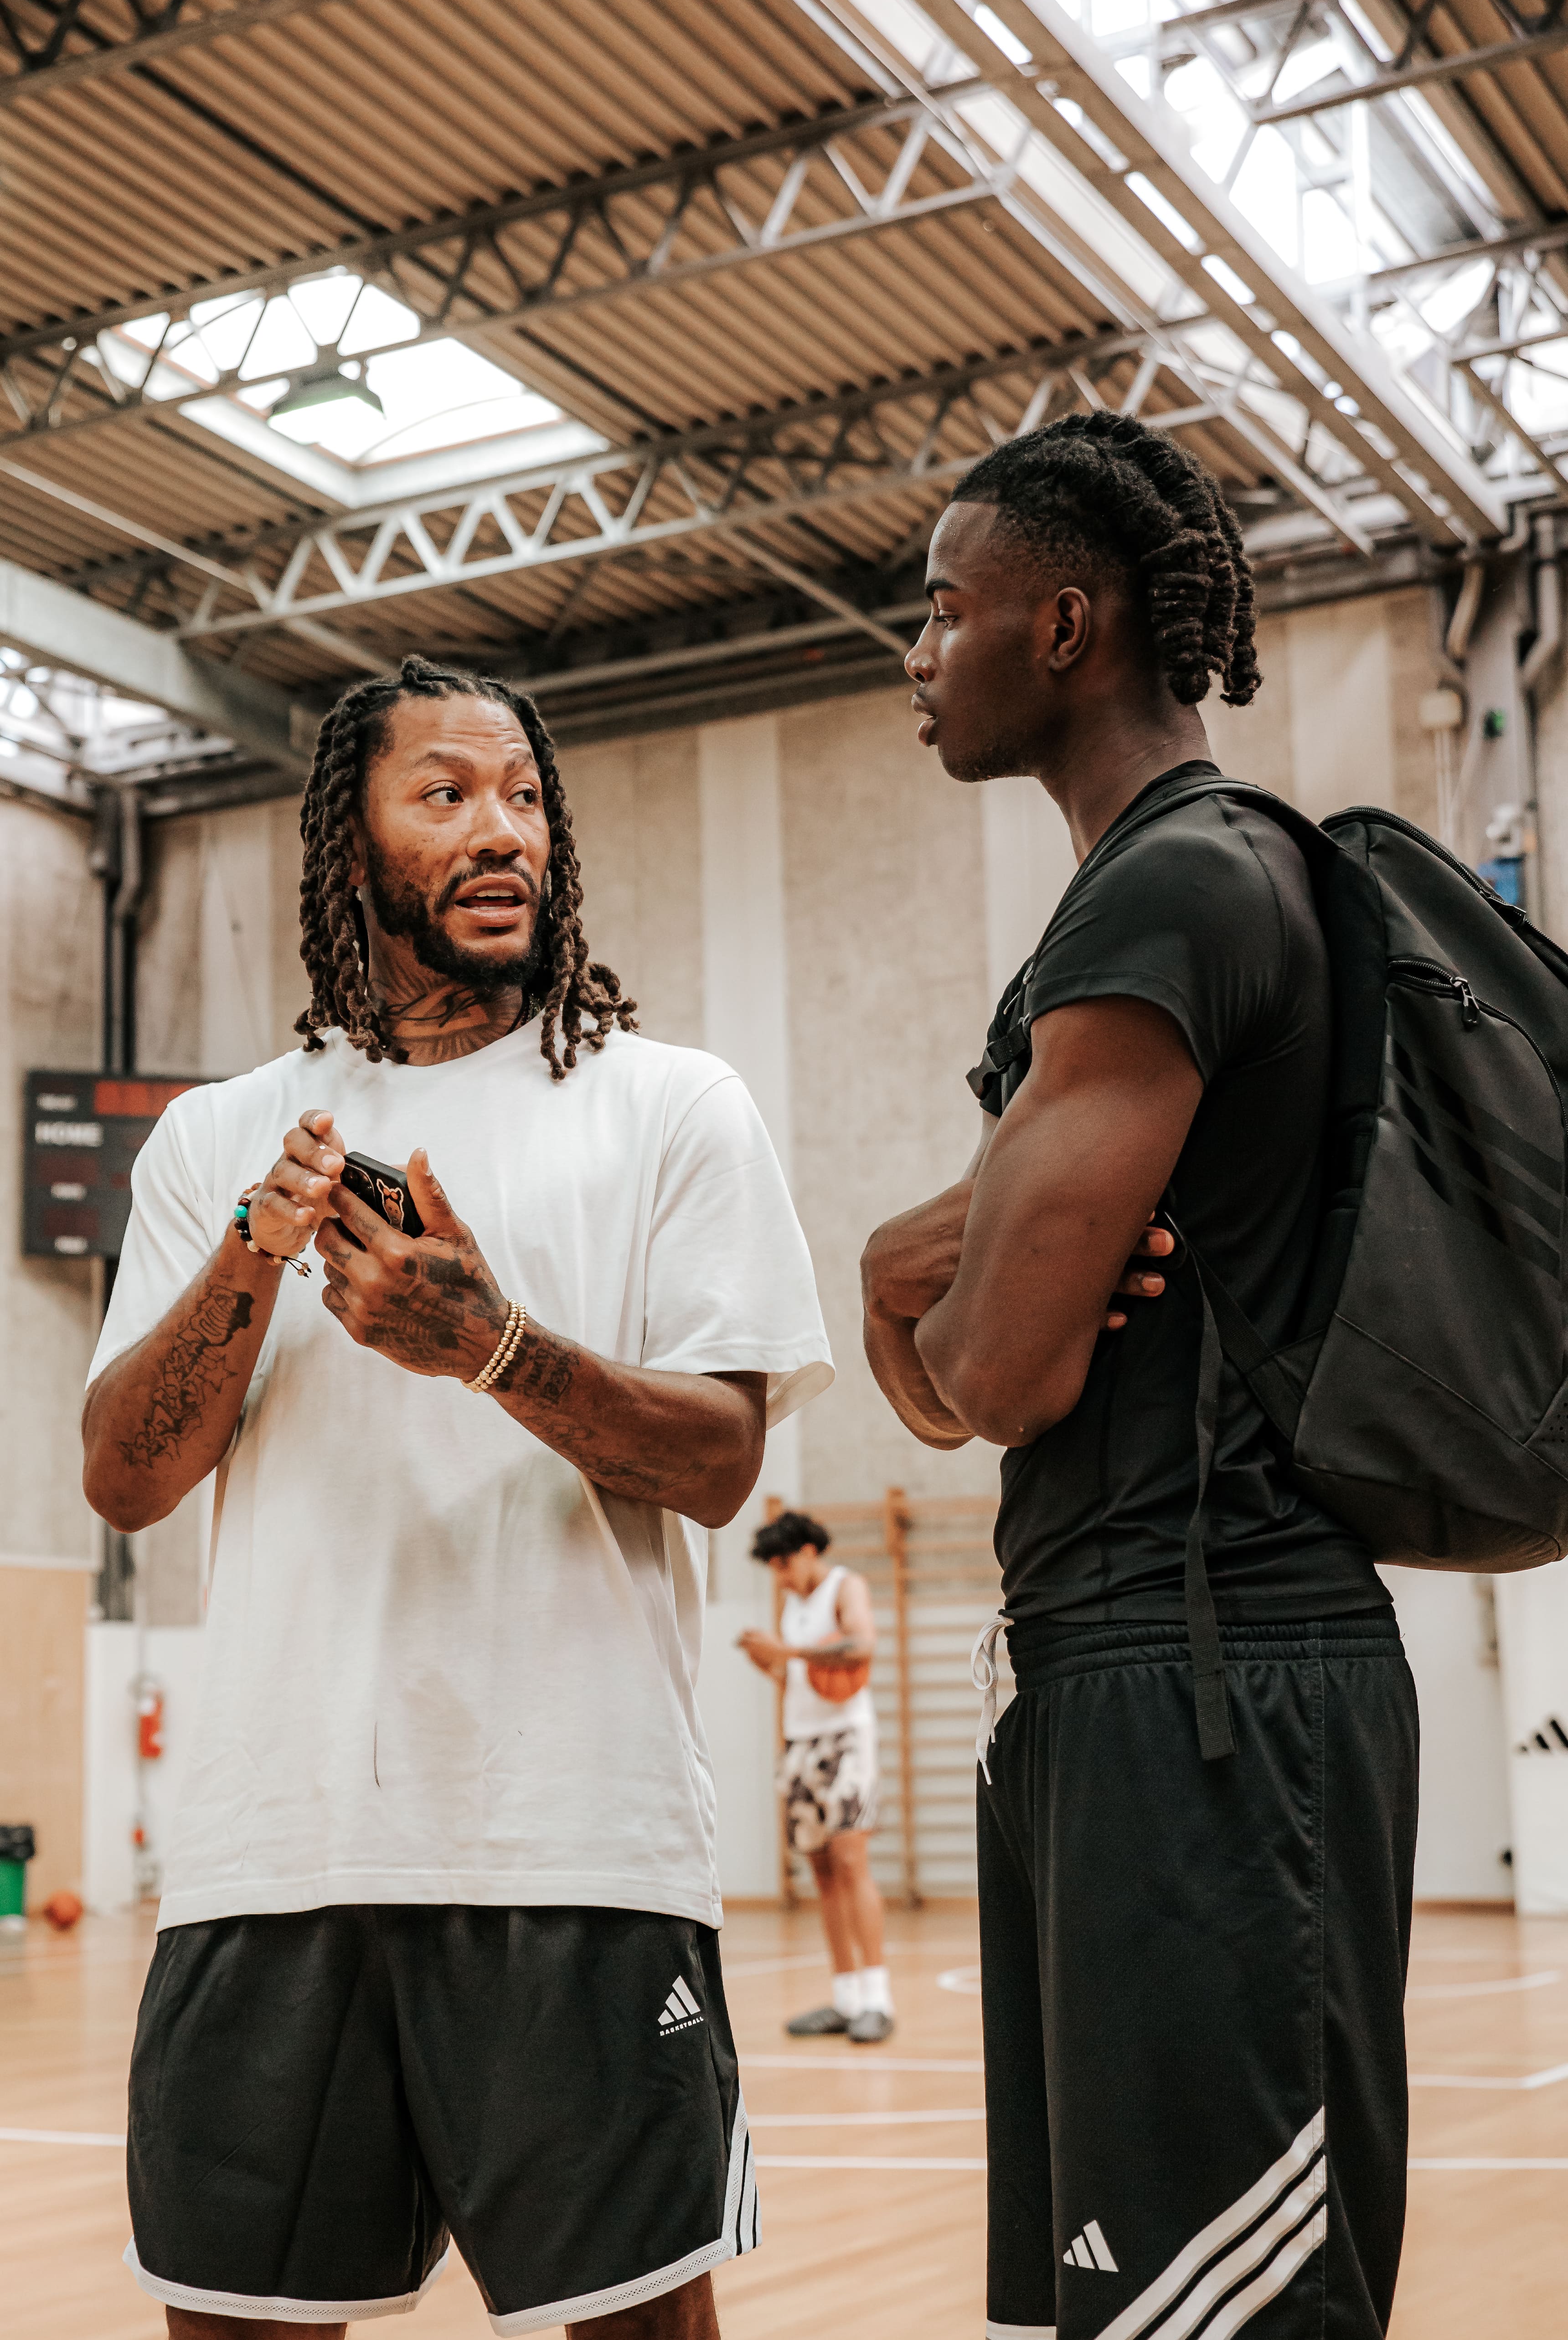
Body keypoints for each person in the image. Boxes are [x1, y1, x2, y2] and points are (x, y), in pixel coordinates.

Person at [82, 655, 833, 2340]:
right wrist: (250, 1257)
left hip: (574, 1845)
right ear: (350, 848)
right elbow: (125, 1480)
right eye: (446, 795)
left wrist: (492, 1347)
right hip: (272, 1856)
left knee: (639, 2324)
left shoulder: (669, 1106)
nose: (505, 831)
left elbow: (720, 1462)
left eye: (524, 797)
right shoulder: (218, 1137)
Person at [860, 413, 1418, 2340]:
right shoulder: (1136, 904)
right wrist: (899, 1286)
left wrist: (917, 1298)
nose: (915, 651)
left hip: (1203, 1673)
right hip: (1099, 1662)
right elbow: (951, 1364)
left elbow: (993, 1370)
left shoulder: (1176, 886)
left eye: (943, 608)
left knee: (1217, 2313)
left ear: (1063, 625)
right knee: (1106, 2309)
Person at [737, 1511, 893, 2044]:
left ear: (807, 1551)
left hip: (846, 1738)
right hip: (800, 1741)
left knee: (850, 1860)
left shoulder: (846, 1586)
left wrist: (789, 1652)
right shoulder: (791, 1606)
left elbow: (861, 1646)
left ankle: (877, 2000)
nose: (779, 1577)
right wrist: (768, 1664)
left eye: (783, 1564)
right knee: (822, 1872)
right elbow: (797, 1676)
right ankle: (846, 1999)